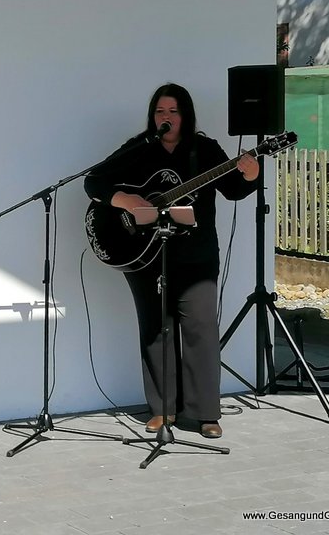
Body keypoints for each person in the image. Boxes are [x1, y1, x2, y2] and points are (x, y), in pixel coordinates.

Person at [84, 83, 259, 438]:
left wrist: (251, 174)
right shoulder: (139, 149)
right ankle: (163, 411)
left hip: (196, 257)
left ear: (186, 115)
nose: (166, 118)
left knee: (201, 332)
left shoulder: (204, 149)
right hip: (145, 255)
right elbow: (94, 181)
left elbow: (233, 190)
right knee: (155, 330)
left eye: (173, 112)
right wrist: (126, 201)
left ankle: (205, 413)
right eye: (160, 112)